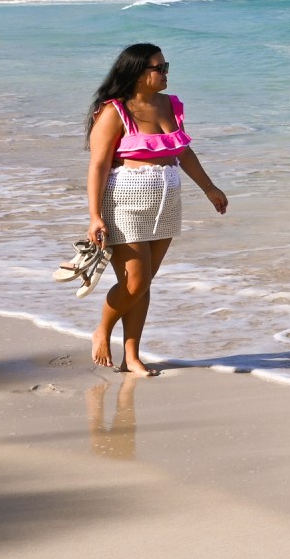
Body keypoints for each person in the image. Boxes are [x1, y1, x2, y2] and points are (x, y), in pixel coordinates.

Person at [85, 42, 228, 376]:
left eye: (166, 67)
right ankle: (102, 330)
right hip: (125, 206)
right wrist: (94, 216)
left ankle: (131, 356)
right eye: (159, 68)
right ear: (138, 73)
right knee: (134, 283)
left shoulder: (169, 104)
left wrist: (209, 187)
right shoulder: (114, 111)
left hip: (167, 205)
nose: (165, 73)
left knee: (144, 282)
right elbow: (98, 165)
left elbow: (183, 152)